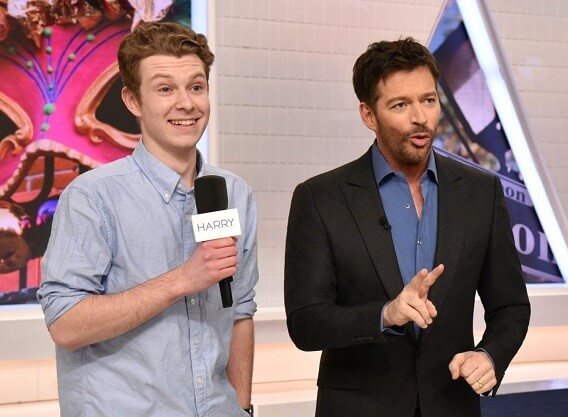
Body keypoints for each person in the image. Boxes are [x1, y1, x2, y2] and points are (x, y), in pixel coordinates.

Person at [284, 38, 530, 417]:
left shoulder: (482, 191)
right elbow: (306, 323)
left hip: (451, 405)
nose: (421, 118)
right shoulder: (320, 198)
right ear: (369, 115)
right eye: (401, 105)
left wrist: (490, 355)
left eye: (428, 100)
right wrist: (386, 314)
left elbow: (510, 306)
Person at [38, 22, 257, 417]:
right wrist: (182, 280)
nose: (186, 103)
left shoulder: (235, 192)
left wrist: (241, 406)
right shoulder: (92, 197)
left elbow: (240, 310)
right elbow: (66, 326)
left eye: (195, 86)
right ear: (133, 101)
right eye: (164, 89)